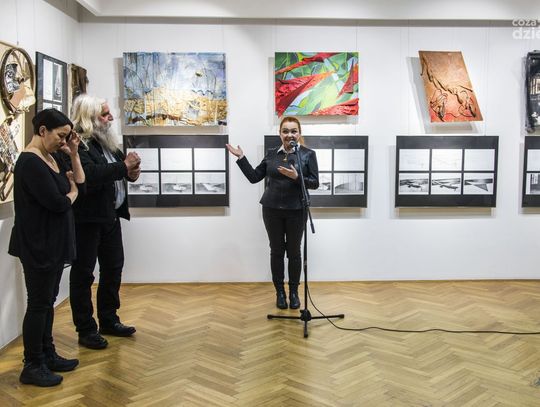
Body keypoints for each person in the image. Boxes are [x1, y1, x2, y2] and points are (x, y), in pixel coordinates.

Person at [8, 108, 85, 387]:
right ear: (42, 131)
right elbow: (58, 202)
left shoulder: (51, 158)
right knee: (39, 304)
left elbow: (80, 181)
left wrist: (73, 152)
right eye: (60, 136)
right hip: (37, 244)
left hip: (52, 242)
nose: (63, 141)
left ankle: (47, 354)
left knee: (47, 301)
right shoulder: (30, 162)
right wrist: (72, 193)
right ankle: (32, 364)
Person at [69, 94, 141, 350]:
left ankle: (109, 320)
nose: (110, 117)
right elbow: (89, 175)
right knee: (84, 274)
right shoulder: (78, 144)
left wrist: (132, 172)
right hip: (87, 220)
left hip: (110, 217)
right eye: (104, 114)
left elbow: (121, 170)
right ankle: (86, 329)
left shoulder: (106, 142)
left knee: (113, 268)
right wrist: (125, 167)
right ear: (89, 117)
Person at [226, 116, 319, 309]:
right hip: (271, 210)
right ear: (280, 134)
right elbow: (254, 177)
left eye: (293, 131)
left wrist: (297, 177)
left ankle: (294, 293)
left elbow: (315, 183)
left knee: (294, 252)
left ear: (299, 133)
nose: (289, 134)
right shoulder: (271, 154)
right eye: (285, 131)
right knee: (276, 252)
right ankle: (280, 293)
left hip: (297, 210)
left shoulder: (308, 154)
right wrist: (241, 158)